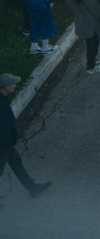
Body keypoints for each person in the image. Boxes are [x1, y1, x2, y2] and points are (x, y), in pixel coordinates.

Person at [0, 73, 52, 201]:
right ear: (6, 86)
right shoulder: (1, 105)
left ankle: (32, 188)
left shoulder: (2, 100)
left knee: (16, 163)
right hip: (3, 143)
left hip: (6, 142)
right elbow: (3, 126)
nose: (15, 85)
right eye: (12, 83)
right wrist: (9, 140)